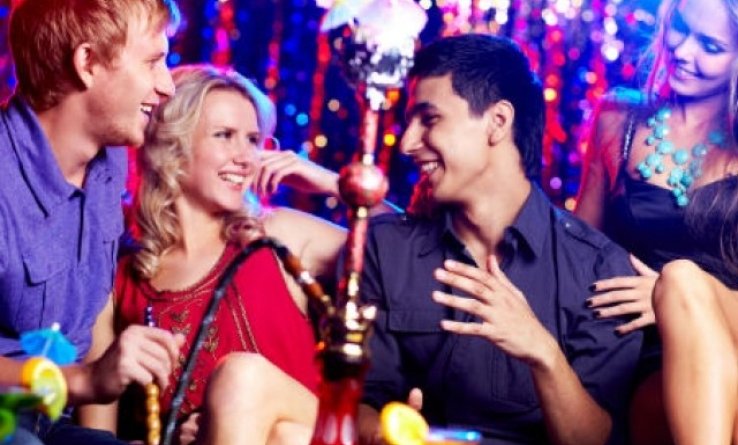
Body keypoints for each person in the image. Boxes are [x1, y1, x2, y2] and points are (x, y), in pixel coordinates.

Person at [356, 34, 643, 445]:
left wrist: (543, 354)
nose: (407, 144)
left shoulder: (598, 271)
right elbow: (362, 399)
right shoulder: (386, 249)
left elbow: (596, 441)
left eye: (429, 119)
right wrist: (380, 434)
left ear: (498, 121)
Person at [113, 64, 347, 445]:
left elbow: (409, 252)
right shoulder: (123, 279)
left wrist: (337, 185)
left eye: (253, 140)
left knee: (244, 380)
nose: (246, 157)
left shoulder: (277, 234)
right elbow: (96, 434)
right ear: (172, 146)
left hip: (317, 431)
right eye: (225, 136)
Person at [0, 0, 182, 443]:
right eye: (153, 62)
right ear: (88, 63)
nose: (167, 86)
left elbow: (98, 303)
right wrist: (82, 380)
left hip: (49, 424)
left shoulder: (109, 161)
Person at [575, 0, 738, 335]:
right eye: (680, 27)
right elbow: (577, 252)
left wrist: (674, 300)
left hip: (719, 343)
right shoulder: (618, 118)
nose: (682, 51)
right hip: (618, 338)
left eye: (710, 46)